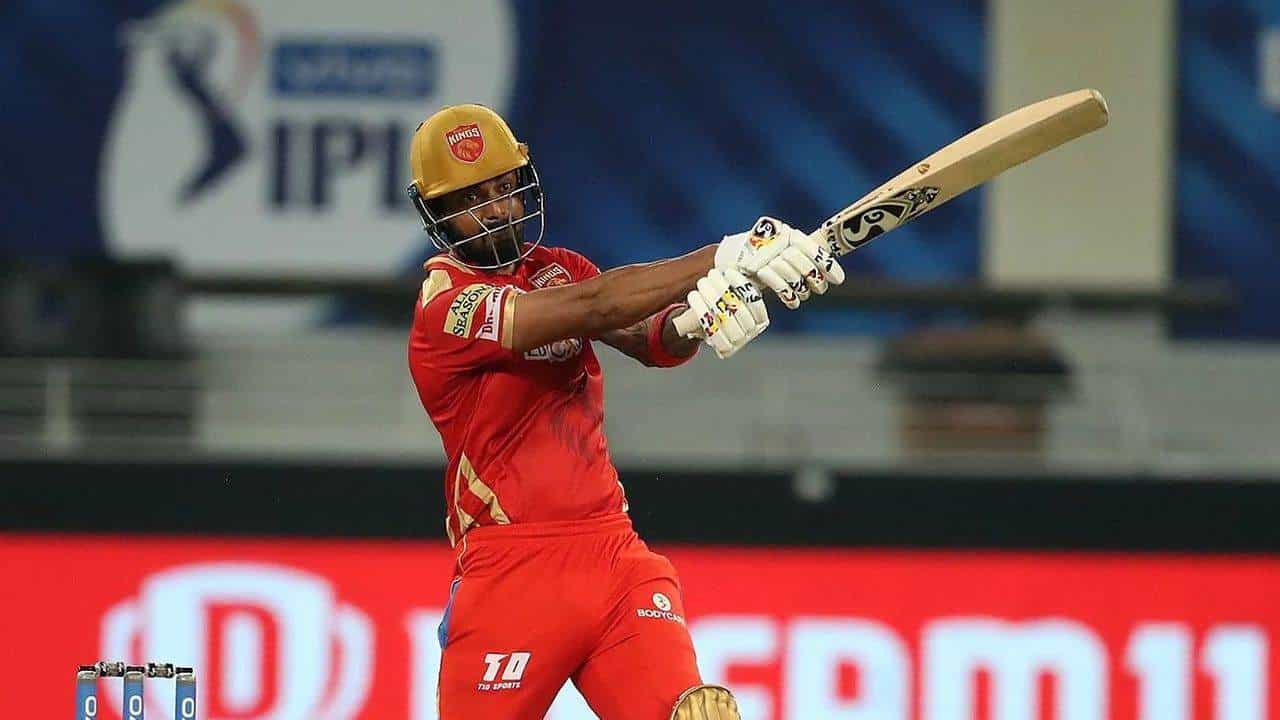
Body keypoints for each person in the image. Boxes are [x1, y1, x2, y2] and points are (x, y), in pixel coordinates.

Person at [406, 104, 843, 720]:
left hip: (615, 555)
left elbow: (651, 340)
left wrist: (700, 319)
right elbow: (596, 306)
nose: (498, 209)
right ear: (437, 214)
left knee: (695, 714)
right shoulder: (445, 307)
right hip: (510, 571)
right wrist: (726, 254)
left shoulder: (557, 269)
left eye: (504, 187)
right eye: (472, 199)